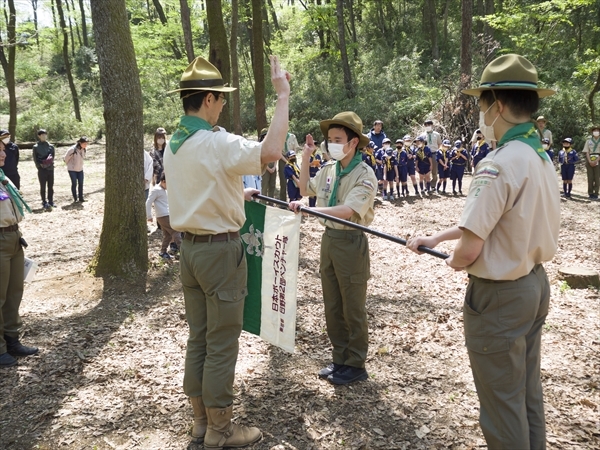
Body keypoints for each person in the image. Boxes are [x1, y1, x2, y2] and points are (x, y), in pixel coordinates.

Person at [407, 54, 560, 450]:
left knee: (500, 402)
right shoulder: (539, 158)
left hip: (500, 298)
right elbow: (498, 219)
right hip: (533, 285)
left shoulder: (498, 163)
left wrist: (455, 260)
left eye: (481, 105)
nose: (479, 114)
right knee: (525, 391)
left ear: (498, 106)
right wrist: (437, 238)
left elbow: (471, 247)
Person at [163, 55, 289, 448]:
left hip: (190, 252)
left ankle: (200, 421)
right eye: (219, 99)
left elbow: (200, 187)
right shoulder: (216, 142)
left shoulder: (175, 144)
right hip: (220, 253)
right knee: (221, 341)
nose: (222, 105)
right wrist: (282, 95)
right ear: (206, 101)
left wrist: (237, 191)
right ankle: (221, 430)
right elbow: (271, 151)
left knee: (198, 336)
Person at [291, 111, 377, 386]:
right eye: (329, 139)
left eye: (338, 139)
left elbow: (348, 210)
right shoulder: (329, 168)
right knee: (332, 304)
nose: (331, 144)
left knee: (353, 306)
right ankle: (340, 358)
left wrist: (311, 211)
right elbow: (305, 188)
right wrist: (306, 156)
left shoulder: (364, 174)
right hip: (329, 241)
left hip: (351, 243)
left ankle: (355, 363)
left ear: (353, 143)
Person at [0, 139, 37, 368]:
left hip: (14, 237)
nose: (3, 153)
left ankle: (12, 339)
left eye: (3, 149)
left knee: (14, 292)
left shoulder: (3, 177)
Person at [146, 173, 182, 260]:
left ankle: (163, 252)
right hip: (163, 215)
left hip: (167, 214)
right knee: (176, 232)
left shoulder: (164, 190)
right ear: (163, 181)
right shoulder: (156, 190)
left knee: (168, 235)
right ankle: (184, 252)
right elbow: (148, 202)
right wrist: (149, 216)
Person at [32, 129, 55, 210]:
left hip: (50, 169)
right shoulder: (36, 147)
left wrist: (50, 165)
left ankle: (51, 201)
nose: (44, 136)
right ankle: (44, 201)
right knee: (43, 186)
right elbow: (35, 158)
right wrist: (39, 167)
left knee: (50, 186)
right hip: (42, 169)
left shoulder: (51, 146)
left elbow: (53, 157)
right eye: (42, 135)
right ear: (39, 136)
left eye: (45, 134)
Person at [64, 136, 89, 202]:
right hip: (72, 170)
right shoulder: (72, 149)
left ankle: (81, 197)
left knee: (81, 183)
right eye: (84, 144)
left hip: (80, 169)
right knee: (74, 183)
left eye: (86, 144)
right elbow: (66, 159)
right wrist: (71, 166)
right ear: (80, 143)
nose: (85, 145)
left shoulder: (83, 149)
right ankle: (75, 198)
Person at [278, 132, 301, 202]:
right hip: (282, 158)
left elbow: (295, 148)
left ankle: (296, 198)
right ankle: (283, 201)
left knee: (295, 177)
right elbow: (278, 151)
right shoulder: (278, 136)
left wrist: (291, 157)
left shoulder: (292, 136)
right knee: (283, 181)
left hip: (292, 157)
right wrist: (286, 160)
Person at [423, 119, 442, 190]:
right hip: (425, 155)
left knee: (434, 171)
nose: (428, 126)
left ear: (432, 125)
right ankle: (426, 185)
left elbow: (439, 143)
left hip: (434, 153)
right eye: (426, 125)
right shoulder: (422, 135)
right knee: (425, 170)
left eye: (429, 125)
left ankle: (433, 185)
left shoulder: (437, 134)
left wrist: (439, 151)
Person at [582, 125, 600, 199]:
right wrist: (589, 161)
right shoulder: (588, 141)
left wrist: (596, 160)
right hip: (590, 158)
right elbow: (586, 151)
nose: (596, 132)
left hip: (598, 159)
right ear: (592, 132)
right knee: (590, 177)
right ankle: (590, 193)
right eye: (594, 130)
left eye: (597, 130)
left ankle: (596, 193)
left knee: (597, 177)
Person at [259, 128, 277, 199]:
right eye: (264, 135)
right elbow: (260, 159)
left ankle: (271, 203)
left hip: (273, 166)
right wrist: (268, 169)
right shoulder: (260, 146)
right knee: (264, 186)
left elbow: (276, 156)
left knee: (272, 185)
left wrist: (274, 167)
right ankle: (263, 203)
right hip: (265, 167)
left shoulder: (273, 144)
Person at [308, 143, 323, 207]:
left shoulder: (317, 156)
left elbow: (321, 165)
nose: (315, 147)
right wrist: (311, 164)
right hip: (310, 175)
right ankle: (311, 207)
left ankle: (315, 206)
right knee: (311, 192)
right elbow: (304, 165)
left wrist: (319, 165)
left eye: (316, 146)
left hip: (317, 175)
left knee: (316, 191)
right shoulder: (308, 156)